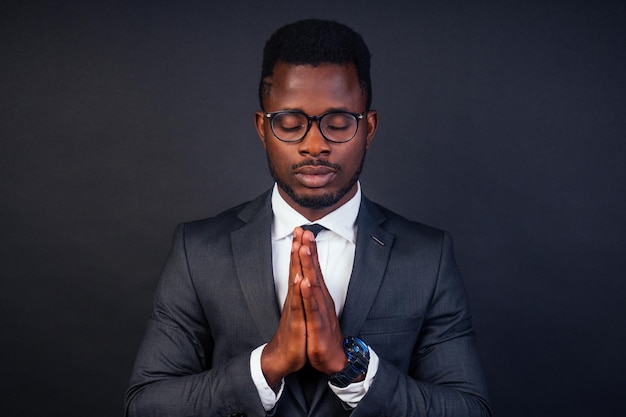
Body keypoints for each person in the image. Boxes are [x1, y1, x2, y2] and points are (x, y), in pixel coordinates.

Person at [125, 19, 491, 417]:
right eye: (290, 123)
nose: (314, 145)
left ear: (368, 128)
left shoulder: (427, 257)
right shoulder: (198, 252)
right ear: (262, 128)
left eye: (337, 123)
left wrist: (351, 367)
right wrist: (268, 364)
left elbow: (469, 409)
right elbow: (146, 405)